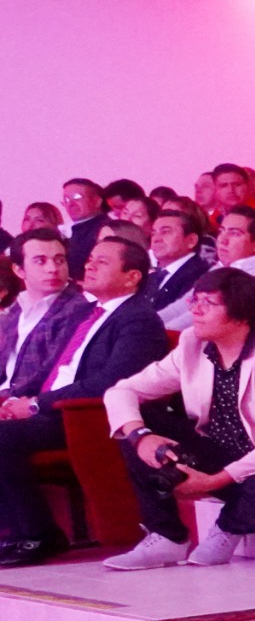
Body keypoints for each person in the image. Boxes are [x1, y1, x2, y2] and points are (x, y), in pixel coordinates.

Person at [100, 269, 255, 570]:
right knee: (137, 420)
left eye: (207, 303)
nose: (195, 311)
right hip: (221, 452)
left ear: (241, 316)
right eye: (195, 301)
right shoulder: (192, 344)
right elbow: (122, 391)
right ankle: (166, 536)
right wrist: (140, 437)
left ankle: (228, 528)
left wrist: (213, 481)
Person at [0, 233, 168, 566]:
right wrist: (15, 400)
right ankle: (19, 532)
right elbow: (52, 368)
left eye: (101, 262)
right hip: (55, 408)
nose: (88, 266)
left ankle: (39, 534)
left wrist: (35, 404)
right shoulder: (91, 313)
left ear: (131, 276)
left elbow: (110, 383)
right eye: (89, 260)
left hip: (86, 417)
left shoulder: (138, 319)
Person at [138, 205, 211, 326]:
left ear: (191, 240)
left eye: (165, 232)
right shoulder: (153, 275)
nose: (156, 239)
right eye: (153, 233)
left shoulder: (201, 276)